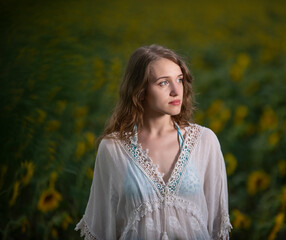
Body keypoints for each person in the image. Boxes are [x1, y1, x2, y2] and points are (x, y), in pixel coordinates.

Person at [75, 44, 232, 240]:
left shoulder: (204, 141)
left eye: (179, 80)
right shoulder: (113, 148)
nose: (176, 91)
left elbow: (217, 227)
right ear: (140, 91)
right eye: (163, 83)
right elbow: (104, 227)